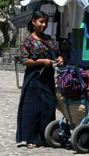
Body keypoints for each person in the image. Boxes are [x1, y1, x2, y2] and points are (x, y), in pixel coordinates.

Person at [15, 11, 63, 148]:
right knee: (32, 109)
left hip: (47, 78)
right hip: (34, 78)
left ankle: (46, 136)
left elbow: (59, 55)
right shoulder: (27, 41)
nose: (43, 25)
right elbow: (24, 60)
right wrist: (41, 61)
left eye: (45, 22)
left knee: (48, 106)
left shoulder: (50, 40)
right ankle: (31, 138)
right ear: (33, 22)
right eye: (41, 22)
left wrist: (60, 59)